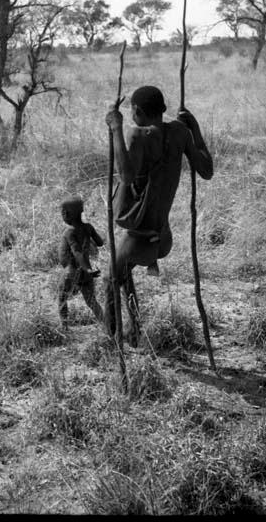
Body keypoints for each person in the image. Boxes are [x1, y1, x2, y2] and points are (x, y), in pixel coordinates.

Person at [104, 85, 213, 346]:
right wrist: (194, 130)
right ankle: (133, 331)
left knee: (110, 279)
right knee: (123, 273)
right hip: (163, 240)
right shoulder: (179, 132)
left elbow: (126, 176)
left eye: (131, 111)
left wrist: (116, 128)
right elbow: (207, 170)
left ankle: (113, 341)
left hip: (138, 240)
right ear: (162, 110)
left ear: (137, 111)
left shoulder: (138, 135)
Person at [57, 196, 104, 330]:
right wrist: (88, 231)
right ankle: (106, 323)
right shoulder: (88, 227)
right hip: (86, 271)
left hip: (72, 270)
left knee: (61, 297)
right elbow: (100, 242)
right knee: (91, 301)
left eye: (62, 212)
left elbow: (76, 251)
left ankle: (64, 327)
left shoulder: (69, 232)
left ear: (66, 214)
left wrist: (88, 269)